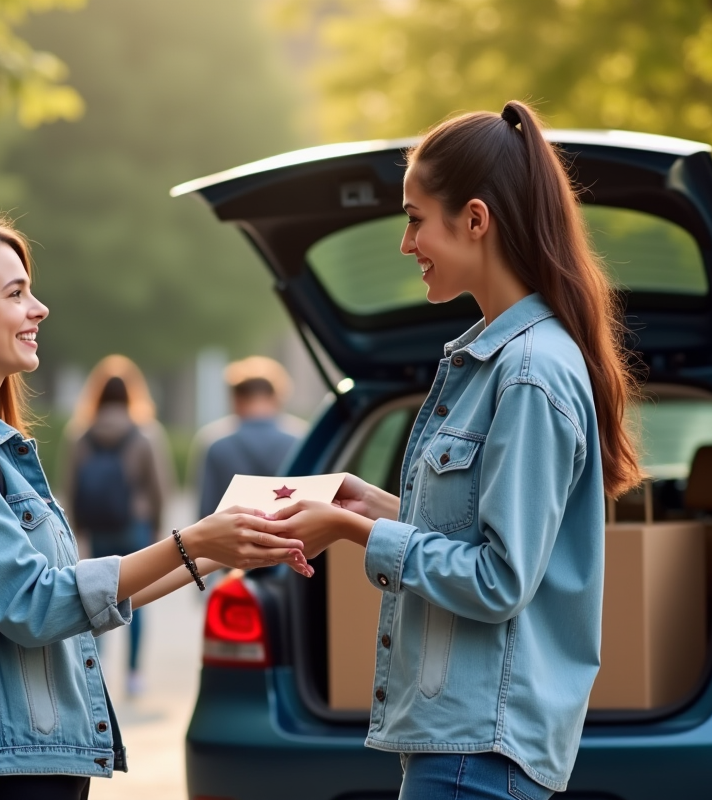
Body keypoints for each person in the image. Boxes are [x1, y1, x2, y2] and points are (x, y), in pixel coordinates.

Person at [0, 211, 309, 800]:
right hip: (6, 771)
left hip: (36, 763)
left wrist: (229, 546)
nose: (38, 309)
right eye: (16, 294)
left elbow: (83, 601)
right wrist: (193, 542)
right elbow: (32, 606)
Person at [266, 101, 642, 800]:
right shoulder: (505, 359)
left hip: (479, 755)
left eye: (414, 218)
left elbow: (500, 579)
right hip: (465, 747)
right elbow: (467, 527)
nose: (406, 245)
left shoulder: (528, 371)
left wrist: (355, 530)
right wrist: (364, 501)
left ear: (475, 219)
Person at [64, 358, 172, 697]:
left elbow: (71, 486)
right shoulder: (144, 434)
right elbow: (158, 486)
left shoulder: (81, 434)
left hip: (98, 527)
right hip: (133, 525)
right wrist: (156, 527)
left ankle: (99, 668)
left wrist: (77, 531)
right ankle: (134, 674)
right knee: (135, 597)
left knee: (99, 597)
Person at [191, 356, 306, 519]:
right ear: (277, 397)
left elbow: (206, 510)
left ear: (236, 399)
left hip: (230, 539)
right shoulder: (301, 439)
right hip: (291, 540)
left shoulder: (214, 442)